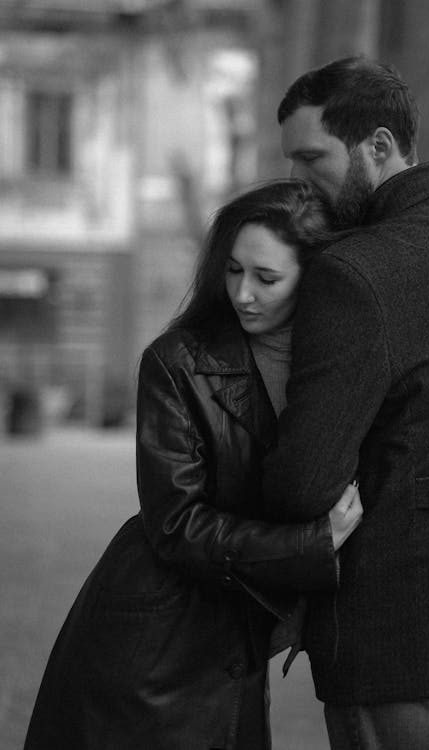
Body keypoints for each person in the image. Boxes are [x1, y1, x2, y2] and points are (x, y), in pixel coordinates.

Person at [23, 179, 363, 750]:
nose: (243, 294)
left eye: (266, 278)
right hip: (158, 642)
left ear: (316, 277)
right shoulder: (179, 361)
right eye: (232, 270)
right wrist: (310, 544)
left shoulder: (340, 361)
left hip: (237, 646)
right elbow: (176, 522)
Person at [260, 56, 429, 749]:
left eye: (312, 159)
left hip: (397, 630)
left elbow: (305, 480)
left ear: (380, 147)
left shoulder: (353, 274)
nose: (300, 183)